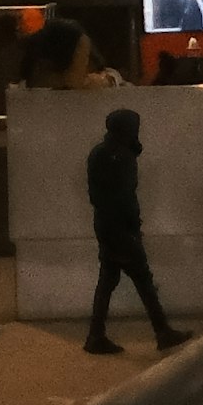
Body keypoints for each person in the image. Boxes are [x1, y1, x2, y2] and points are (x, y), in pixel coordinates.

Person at [80, 102, 173, 355]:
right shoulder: (122, 157)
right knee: (142, 278)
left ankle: (96, 336)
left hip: (107, 225)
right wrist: (132, 225)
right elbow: (124, 196)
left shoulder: (102, 152)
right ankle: (162, 331)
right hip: (120, 228)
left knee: (109, 280)